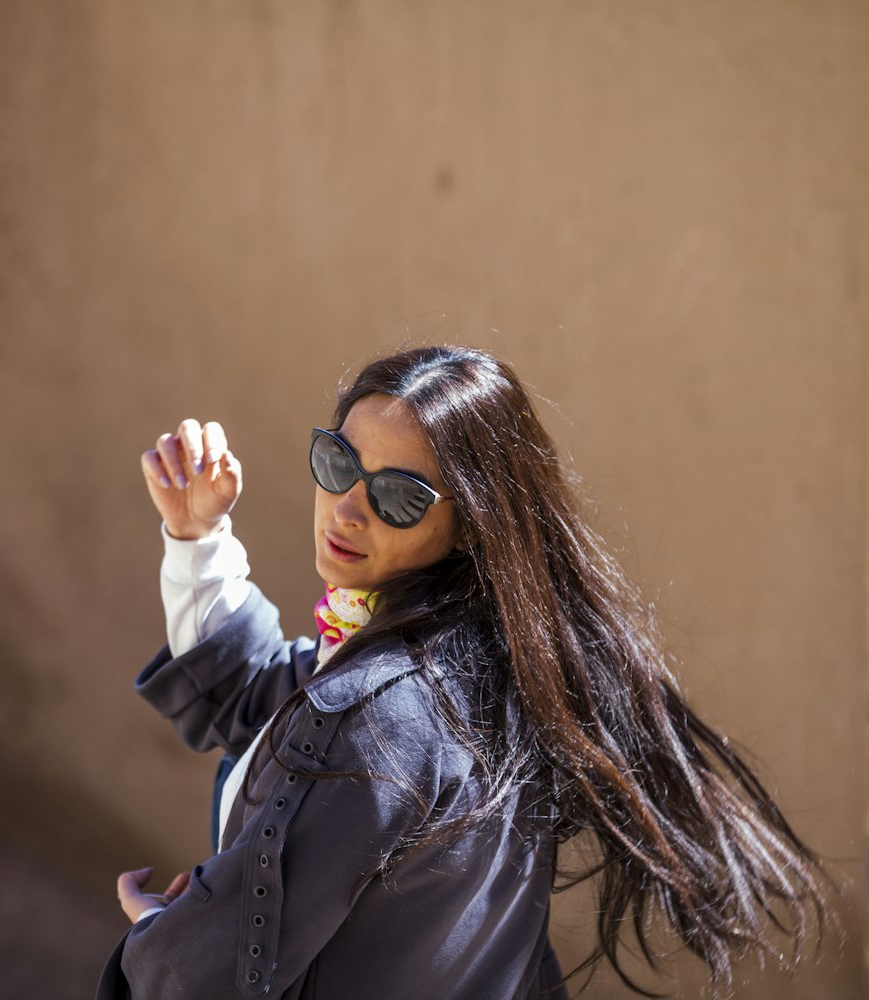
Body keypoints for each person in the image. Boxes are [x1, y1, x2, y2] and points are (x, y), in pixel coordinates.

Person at [98, 346, 829, 1000]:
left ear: (469, 522)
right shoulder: (494, 664)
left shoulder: (373, 721)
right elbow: (272, 698)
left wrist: (162, 930)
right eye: (338, 463)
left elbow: (217, 970)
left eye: (398, 496)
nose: (348, 509)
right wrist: (196, 535)